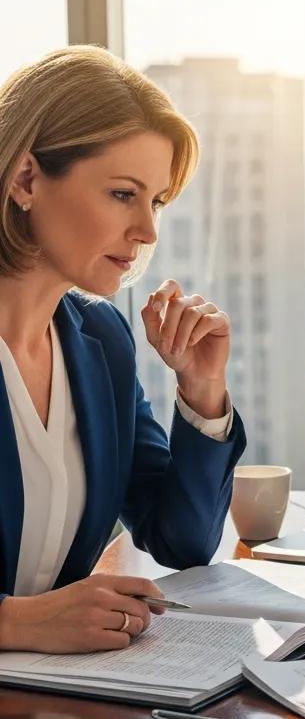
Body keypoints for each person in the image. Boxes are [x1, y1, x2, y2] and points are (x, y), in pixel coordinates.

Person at [0, 47, 246, 653]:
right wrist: (18, 624)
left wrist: (201, 392)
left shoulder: (100, 339)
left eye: (156, 200)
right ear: (27, 179)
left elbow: (180, 541)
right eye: (121, 194)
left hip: (54, 703)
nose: (148, 230)